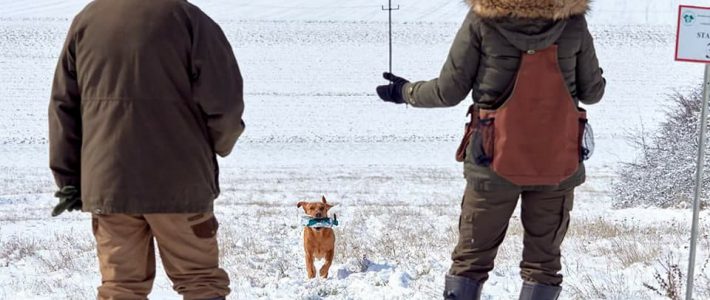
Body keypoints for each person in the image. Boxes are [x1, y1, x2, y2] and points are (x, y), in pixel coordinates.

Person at [376, 0, 605, 299]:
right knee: (543, 266)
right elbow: (593, 92)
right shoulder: (573, 21)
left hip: (492, 158)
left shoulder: (482, 20)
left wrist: (404, 92)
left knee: (470, 262)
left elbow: (448, 91)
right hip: (557, 161)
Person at [48, 0, 245, 299]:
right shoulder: (189, 19)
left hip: (110, 184)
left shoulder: (86, 21)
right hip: (181, 182)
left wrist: (69, 181)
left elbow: (64, 108)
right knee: (201, 283)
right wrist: (216, 147)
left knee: (120, 288)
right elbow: (226, 105)